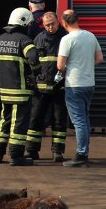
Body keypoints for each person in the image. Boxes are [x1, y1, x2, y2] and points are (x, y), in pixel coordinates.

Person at [0, 8, 41, 166]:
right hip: (21, 91)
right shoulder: (24, 40)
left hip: (5, 91)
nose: (30, 27)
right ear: (23, 23)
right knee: (19, 124)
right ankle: (16, 156)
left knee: (4, 121)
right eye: (29, 24)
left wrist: (0, 68)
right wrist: (34, 73)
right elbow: (34, 60)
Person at [58, 9, 104, 167]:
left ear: (64, 22)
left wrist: (71, 67)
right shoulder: (90, 36)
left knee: (79, 121)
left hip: (74, 85)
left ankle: (81, 155)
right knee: (84, 119)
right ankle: (83, 153)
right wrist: (86, 65)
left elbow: (60, 65)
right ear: (78, 20)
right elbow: (100, 59)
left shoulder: (67, 39)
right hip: (89, 84)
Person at [24, 11, 68, 162]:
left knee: (59, 120)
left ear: (58, 22)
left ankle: (57, 152)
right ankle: (31, 150)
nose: (50, 27)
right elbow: (32, 62)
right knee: (35, 119)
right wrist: (33, 81)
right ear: (43, 25)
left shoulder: (65, 38)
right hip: (41, 88)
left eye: (53, 24)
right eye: (47, 25)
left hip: (59, 88)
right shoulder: (38, 39)